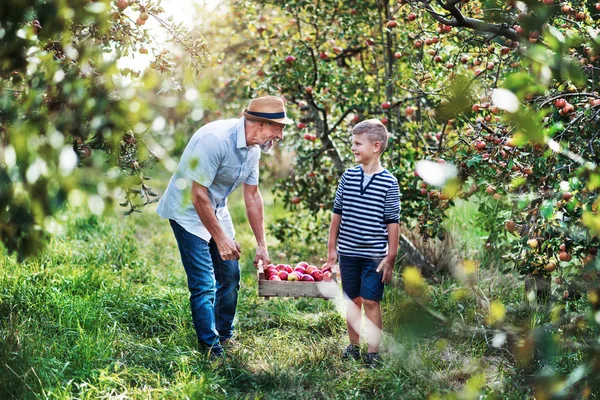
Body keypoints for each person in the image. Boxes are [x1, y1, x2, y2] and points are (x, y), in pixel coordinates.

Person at [156, 96, 293, 358]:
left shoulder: (253, 150)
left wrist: (262, 245)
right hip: (187, 211)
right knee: (204, 283)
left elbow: (252, 197)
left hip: (216, 209)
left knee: (230, 276)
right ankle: (210, 347)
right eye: (279, 128)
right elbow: (197, 195)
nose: (281, 135)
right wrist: (220, 239)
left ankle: (225, 335)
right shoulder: (216, 140)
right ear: (262, 125)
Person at [326, 119, 400, 367]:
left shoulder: (389, 182)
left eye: (358, 144)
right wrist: (331, 248)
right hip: (348, 252)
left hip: (374, 257)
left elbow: (392, 222)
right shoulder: (348, 177)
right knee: (352, 301)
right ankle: (353, 345)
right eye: (353, 143)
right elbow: (337, 213)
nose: (353, 148)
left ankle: (373, 352)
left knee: (370, 301)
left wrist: (391, 257)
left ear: (376, 146)